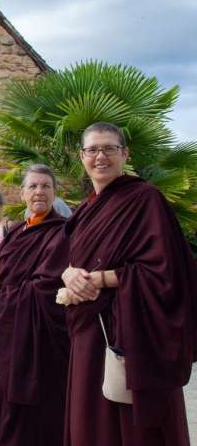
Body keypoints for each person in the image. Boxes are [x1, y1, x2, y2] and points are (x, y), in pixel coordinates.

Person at [61, 122, 197, 446]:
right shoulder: (86, 209)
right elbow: (71, 259)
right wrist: (69, 275)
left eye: (109, 148)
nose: (101, 157)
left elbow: (169, 271)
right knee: (90, 421)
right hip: (88, 333)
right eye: (93, 149)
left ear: (124, 154)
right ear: (82, 156)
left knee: (131, 427)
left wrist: (104, 279)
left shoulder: (145, 199)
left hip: (132, 333)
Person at [0, 165, 70, 446]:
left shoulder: (61, 232)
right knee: (7, 395)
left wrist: (2, 303)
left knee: (42, 403)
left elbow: (47, 287)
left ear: (54, 192)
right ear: (22, 193)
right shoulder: (16, 231)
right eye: (32, 186)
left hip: (42, 334)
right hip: (10, 328)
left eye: (46, 186)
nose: (39, 192)